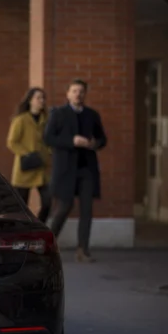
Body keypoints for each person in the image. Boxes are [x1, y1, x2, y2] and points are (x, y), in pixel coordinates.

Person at [43, 79, 107, 263]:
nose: (78, 94)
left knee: (87, 209)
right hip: (65, 168)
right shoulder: (59, 114)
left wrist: (95, 143)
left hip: (87, 168)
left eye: (81, 91)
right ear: (68, 94)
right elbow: (48, 138)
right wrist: (72, 141)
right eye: (74, 91)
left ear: (85, 94)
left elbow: (102, 138)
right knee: (64, 207)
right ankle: (47, 247)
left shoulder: (92, 115)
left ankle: (83, 250)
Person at [6, 87, 52, 223]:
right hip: (25, 167)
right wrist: (28, 153)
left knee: (48, 202)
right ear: (30, 100)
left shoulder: (47, 119)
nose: (41, 101)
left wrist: (49, 152)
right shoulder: (21, 120)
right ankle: (21, 231)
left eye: (43, 98)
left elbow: (50, 140)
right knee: (21, 206)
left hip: (42, 167)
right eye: (38, 98)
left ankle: (39, 227)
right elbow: (12, 142)